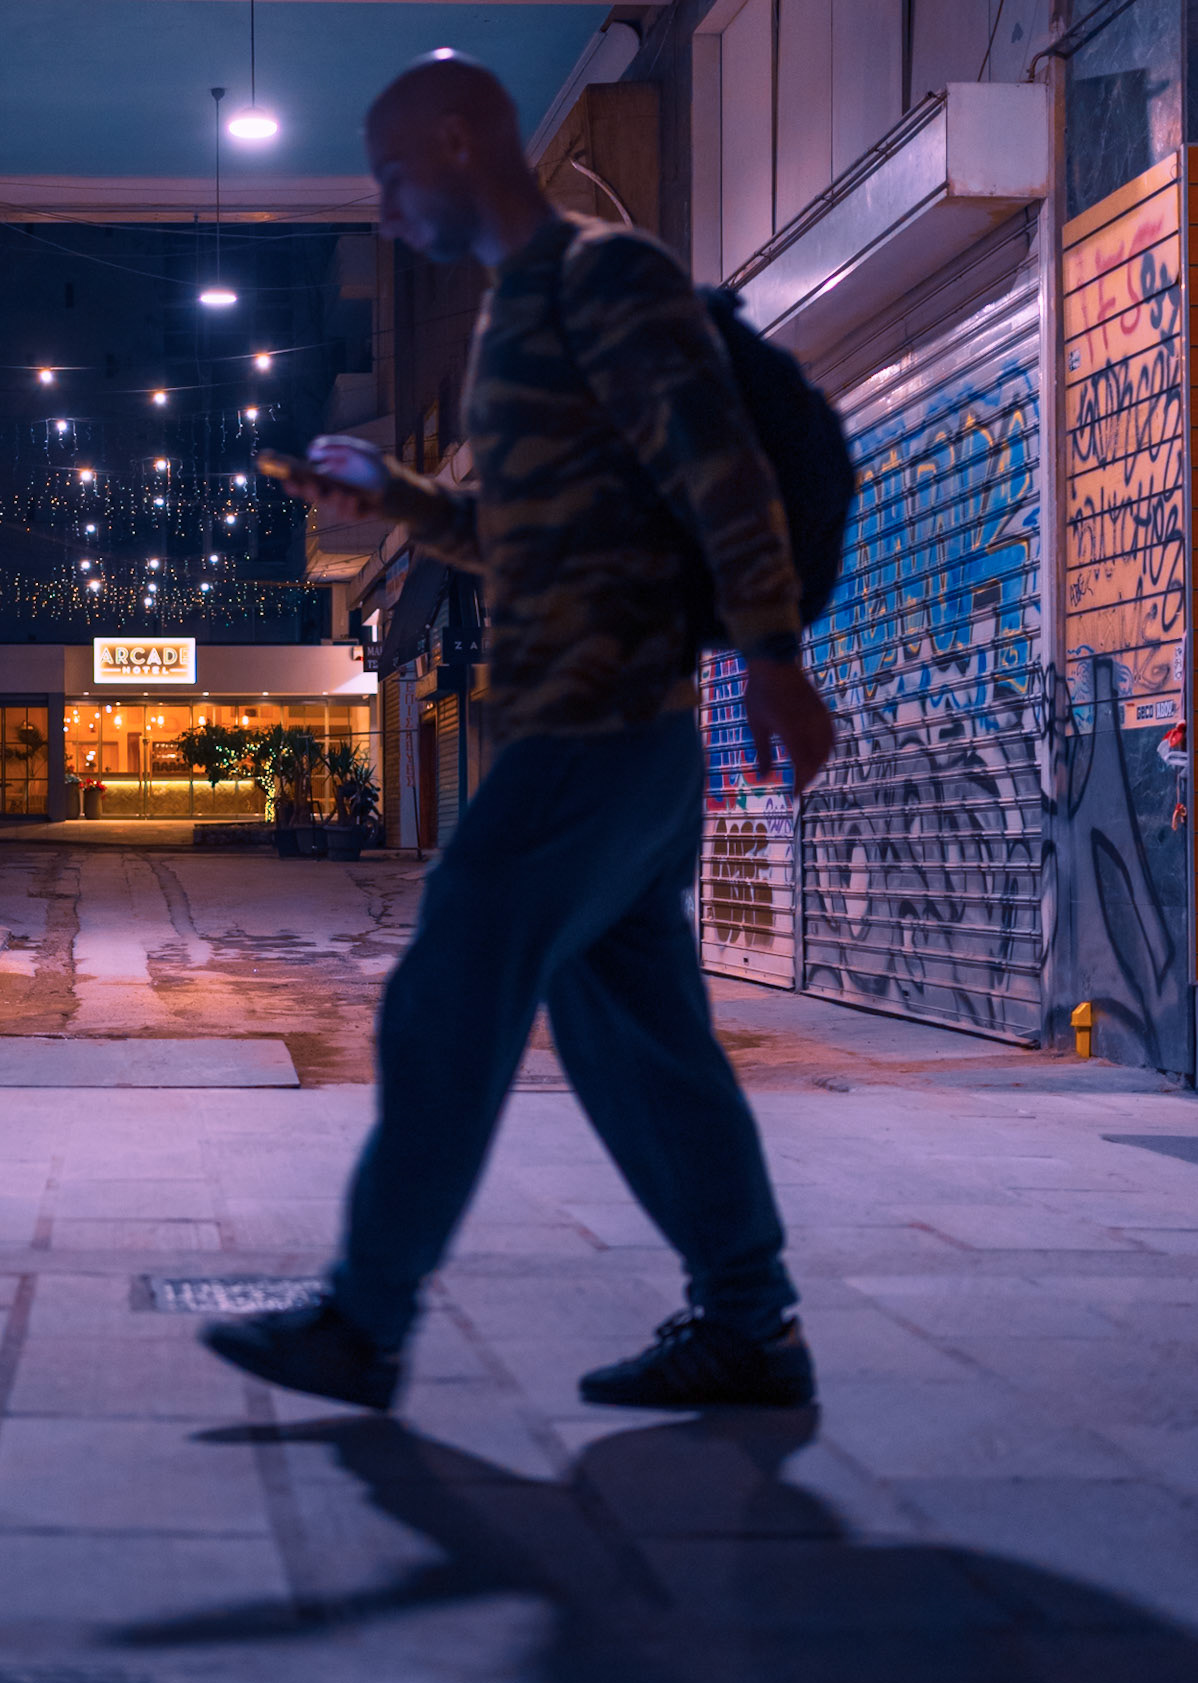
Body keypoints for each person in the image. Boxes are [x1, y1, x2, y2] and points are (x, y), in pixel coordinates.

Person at [203, 52, 834, 1415]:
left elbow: (716, 462)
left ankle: (362, 1323)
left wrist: (776, 662)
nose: (382, 210)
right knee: (642, 1042)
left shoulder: (604, 276)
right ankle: (748, 1324)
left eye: (385, 176)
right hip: (606, 737)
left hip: (599, 728)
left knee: (444, 1000)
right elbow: (513, 535)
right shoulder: (512, 320)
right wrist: (405, 499)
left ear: (451, 139)